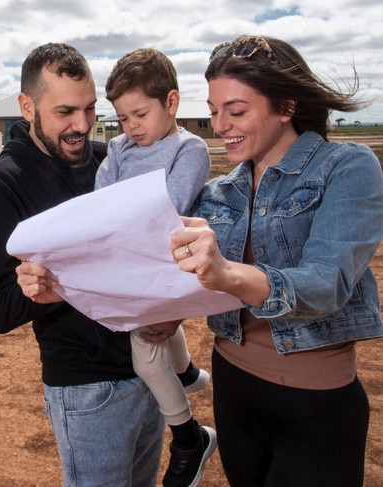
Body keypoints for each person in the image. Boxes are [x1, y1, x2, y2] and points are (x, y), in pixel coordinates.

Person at [169, 35, 383, 487]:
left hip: (316, 404)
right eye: (213, 110)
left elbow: (328, 282)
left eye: (236, 110)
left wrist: (227, 272)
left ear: (286, 106)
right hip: (234, 390)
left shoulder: (347, 167)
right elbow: (177, 278)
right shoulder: (220, 191)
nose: (219, 124)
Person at [0, 43, 165, 486]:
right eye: (65, 112)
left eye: (90, 109)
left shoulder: (106, 160)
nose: (82, 125)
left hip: (149, 370)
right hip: (87, 390)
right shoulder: (2, 185)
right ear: (27, 106)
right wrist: (51, 285)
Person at [97, 47, 216, 487]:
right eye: (123, 119)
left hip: (162, 260)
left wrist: (123, 219)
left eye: (139, 114)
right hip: (131, 259)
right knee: (158, 340)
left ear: (171, 102)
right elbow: (100, 200)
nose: (131, 128)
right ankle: (184, 371)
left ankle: (189, 437)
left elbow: (172, 208)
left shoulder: (190, 148)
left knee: (146, 355)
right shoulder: (119, 147)